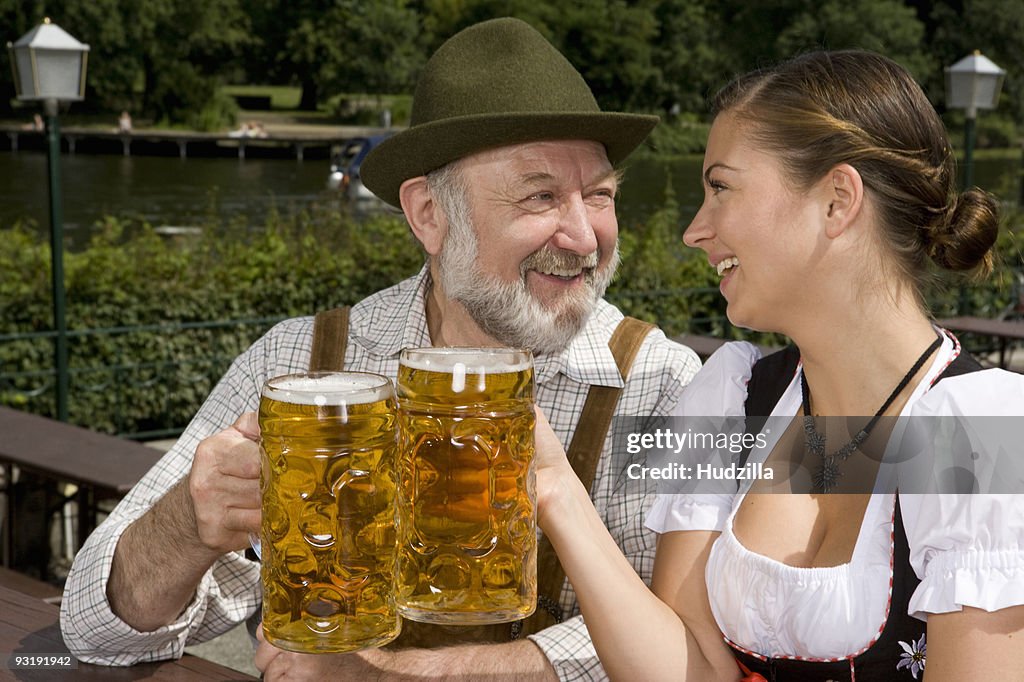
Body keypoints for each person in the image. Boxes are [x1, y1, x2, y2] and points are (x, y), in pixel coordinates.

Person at [60, 17, 701, 680]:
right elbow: (91, 630)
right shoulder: (302, 363)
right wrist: (186, 527)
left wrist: (385, 674)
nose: (584, 237)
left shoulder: (667, 383)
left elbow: (698, 648)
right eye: (540, 195)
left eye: (598, 195)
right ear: (428, 214)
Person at [532, 49, 1024, 680]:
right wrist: (556, 491)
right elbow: (693, 670)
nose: (695, 230)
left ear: (837, 200)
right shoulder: (733, 399)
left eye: (720, 187)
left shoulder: (981, 434)